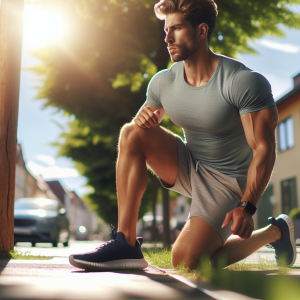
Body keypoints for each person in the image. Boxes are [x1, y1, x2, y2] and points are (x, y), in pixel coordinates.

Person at [69, 0, 297, 271]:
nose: (167, 37)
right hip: (191, 166)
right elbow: (140, 134)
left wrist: (248, 206)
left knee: (186, 262)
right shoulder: (163, 83)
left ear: (201, 31)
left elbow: (264, 149)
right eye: (166, 29)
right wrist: (142, 119)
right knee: (131, 132)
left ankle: (275, 232)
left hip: (229, 182)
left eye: (176, 28)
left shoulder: (243, 82)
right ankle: (126, 242)